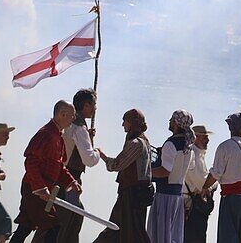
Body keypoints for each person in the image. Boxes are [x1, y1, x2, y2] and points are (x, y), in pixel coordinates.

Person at [8, 101, 79, 243]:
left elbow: (58, 167)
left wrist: (71, 181)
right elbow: (31, 161)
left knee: (25, 227)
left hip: (39, 189)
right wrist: (40, 188)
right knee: (52, 226)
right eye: (72, 115)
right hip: (34, 190)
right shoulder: (46, 134)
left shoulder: (58, 136)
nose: (74, 118)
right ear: (62, 114)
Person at [201, 112, 241, 243]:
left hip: (230, 200)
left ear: (230, 128)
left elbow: (215, 174)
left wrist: (205, 187)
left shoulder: (225, 147)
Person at [95, 109, 152, 243]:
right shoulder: (144, 141)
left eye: (124, 121)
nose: (122, 125)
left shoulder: (136, 144)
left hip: (132, 196)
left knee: (131, 233)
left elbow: (116, 165)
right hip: (133, 194)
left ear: (132, 123)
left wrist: (101, 154)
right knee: (120, 230)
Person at [146, 110, 196, 243]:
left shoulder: (170, 144)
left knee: (160, 236)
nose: (169, 121)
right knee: (172, 235)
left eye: (171, 119)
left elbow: (165, 171)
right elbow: (190, 166)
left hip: (165, 196)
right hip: (177, 196)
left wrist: (146, 173)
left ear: (175, 123)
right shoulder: (188, 146)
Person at [59, 89, 101, 243]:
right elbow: (89, 160)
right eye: (93, 104)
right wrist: (96, 152)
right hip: (70, 178)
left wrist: (88, 139)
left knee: (73, 217)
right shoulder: (79, 128)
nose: (95, 108)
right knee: (68, 221)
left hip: (60, 176)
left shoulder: (68, 123)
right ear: (86, 105)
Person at [183, 125, 213, 243]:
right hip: (191, 206)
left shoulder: (197, 155)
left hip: (194, 205)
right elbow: (202, 183)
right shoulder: (193, 155)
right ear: (195, 138)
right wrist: (213, 183)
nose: (207, 140)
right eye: (204, 137)